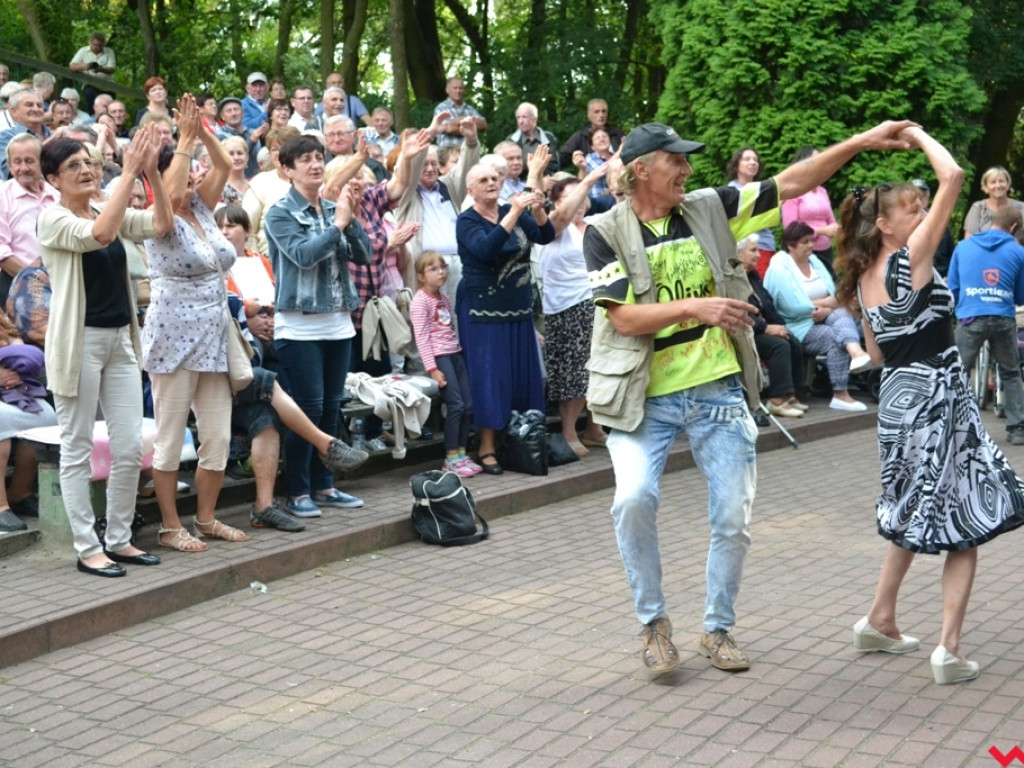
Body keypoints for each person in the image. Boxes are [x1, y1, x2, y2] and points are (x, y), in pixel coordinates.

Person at [582, 120, 919, 677]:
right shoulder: (604, 231)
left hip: (717, 389)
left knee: (732, 517)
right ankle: (654, 624)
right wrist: (697, 307)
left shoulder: (709, 207)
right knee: (633, 500)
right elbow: (623, 318)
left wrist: (861, 141)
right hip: (644, 397)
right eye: (675, 161)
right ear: (641, 170)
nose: (687, 170)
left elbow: (790, 183)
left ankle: (717, 629)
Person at [836, 126, 1024, 686]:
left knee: (913, 507)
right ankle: (949, 648)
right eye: (912, 210)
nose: (922, 214)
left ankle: (880, 619)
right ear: (885, 225)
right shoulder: (908, 259)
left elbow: (875, 354)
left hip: (898, 401)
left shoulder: (863, 279)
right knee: (965, 517)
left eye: (923, 208)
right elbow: (955, 175)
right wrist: (917, 134)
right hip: (938, 397)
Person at [38, 125, 173, 576]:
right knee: (76, 448)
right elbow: (98, 234)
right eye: (72, 165)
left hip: (120, 339)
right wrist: (128, 173)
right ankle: (87, 546)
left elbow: (160, 224)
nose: (86, 170)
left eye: (89, 163)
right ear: (53, 179)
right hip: (79, 343)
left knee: (131, 446)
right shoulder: (52, 217)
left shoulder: (103, 206)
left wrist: (150, 174)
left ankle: (119, 539)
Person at [143, 95, 246, 553]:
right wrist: (183, 141)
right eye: (184, 169)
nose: (194, 174)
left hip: (213, 336)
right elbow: (170, 194)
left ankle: (205, 519)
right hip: (173, 337)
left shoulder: (202, 207)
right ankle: (170, 526)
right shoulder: (158, 218)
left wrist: (201, 128)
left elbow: (223, 164)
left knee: (218, 436)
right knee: (169, 437)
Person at [263, 135, 371, 519]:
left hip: (339, 323)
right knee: (306, 410)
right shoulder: (279, 213)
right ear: (287, 170)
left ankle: (325, 485)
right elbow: (304, 256)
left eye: (318, 157)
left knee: (330, 409)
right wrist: (338, 225)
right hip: (299, 327)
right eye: (305, 159)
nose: (315, 164)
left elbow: (364, 255)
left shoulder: (332, 208)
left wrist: (350, 219)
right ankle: (296, 491)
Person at [456, 160, 554, 474]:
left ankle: (522, 441)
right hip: (483, 311)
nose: (491, 183)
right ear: (471, 190)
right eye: (483, 180)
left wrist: (538, 209)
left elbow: (545, 235)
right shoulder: (467, 221)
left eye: (495, 178)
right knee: (490, 378)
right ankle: (486, 447)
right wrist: (514, 212)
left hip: (519, 308)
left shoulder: (513, 210)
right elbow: (486, 249)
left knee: (521, 376)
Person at [538, 170, 612, 454]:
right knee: (574, 373)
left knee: (601, 368)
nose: (579, 202)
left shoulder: (594, 224)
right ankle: (569, 432)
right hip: (567, 308)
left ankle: (594, 428)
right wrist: (588, 180)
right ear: (556, 203)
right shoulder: (553, 226)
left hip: (597, 302)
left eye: (582, 196)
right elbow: (556, 222)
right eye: (571, 197)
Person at [764, 221, 872, 411]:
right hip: (796, 325)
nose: (811, 245)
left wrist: (827, 310)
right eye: (805, 242)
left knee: (841, 313)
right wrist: (825, 304)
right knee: (833, 337)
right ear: (790, 245)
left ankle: (856, 353)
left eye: (811, 241)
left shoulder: (815, 262)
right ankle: (840, 393)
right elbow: (791, 306)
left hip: (825, 315)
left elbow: (836, 296)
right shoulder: (778, 269)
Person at [947, 205, 1024, 445]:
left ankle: (950, 428)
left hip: (970, 317)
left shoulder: (962, 247)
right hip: (1003, 318)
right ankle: (1017, 429)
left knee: (956, 373)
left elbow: (953, 287)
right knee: (1010, 372)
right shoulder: (1019, 252)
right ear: (1014, 227)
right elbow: (1021, 296)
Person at [409, 250, 481, 477]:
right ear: (421, 276)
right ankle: (451, 458)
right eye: (433, 269)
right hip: (440, 358)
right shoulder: (420, 302)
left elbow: (449, 328)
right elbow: (422, 338)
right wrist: (433, 369)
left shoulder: (444, 299)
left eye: (443, 267)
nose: (441, 272)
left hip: (454, 353)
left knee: (468, 405)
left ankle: (462, 453)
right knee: (455, 405)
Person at [396, 113, 481, 302]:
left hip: (458, 262)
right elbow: (408, 168)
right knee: (430, 315)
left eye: (434, 163)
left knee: (459, 312)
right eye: (424, 164)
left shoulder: (449, 186)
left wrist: (471, 142)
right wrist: (430, 132)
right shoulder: (405, 192)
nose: (429, 168)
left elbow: (467, 171)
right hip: (424, 267)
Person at [737, 235, 807, 417]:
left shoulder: (752, 275)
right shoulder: (733, 280)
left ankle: (790, 395)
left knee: (791, 340)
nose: (759, 255)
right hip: (744, 332)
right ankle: (776, 400)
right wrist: (766, 328)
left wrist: (780, 326)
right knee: (779, 346)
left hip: (759, 328)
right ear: (738, 253)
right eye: (753, 250)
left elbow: (767, 304)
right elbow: (741, 313)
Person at [0, 321, 57, 532]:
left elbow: (18, 346)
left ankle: (20, 492)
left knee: (45, 416)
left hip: (11, 389)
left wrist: (14, 369)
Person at [0, 134, 58, 306]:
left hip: (61, 285)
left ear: (42, 163)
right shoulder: (3, 197)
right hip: (17, 288)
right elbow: (1, 252)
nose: (23, 168)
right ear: (9, 165)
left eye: (30, 161)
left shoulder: (56, 195)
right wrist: (37, 280)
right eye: (17, 162)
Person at [781, 146, 838, 278]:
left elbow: (831, 221)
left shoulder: (822, 191)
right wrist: (822, 231)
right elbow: (790, 228)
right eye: (816, 159)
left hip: (826, 250)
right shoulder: (793, 191)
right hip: (803, 253)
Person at [242, 125, 299, 252]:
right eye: (275, 149)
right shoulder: (260, 182)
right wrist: (256, 260)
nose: (280, 153)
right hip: (268, 258)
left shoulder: (313, 181)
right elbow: (247, 229)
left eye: (286, 147)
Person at [726, 147, 776, 277]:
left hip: (767, 245)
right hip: (748, 250)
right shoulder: (732, 191)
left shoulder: (760, 189)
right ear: (737, 165)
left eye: (755, 160)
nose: (753, 162)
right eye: (747, 159)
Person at [559, 98, 625, 170]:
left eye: (604, 111)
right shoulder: (580, 137)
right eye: (596, 112)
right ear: (589, 115)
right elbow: (561, 159)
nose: (601, 115)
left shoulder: (617, 133)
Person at [0, 89, 51, 180]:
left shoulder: (54, 134)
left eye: (39, 105)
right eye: (29, 105)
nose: (36, 109)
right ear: (14, 111)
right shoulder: (4, 137)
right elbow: (9, 173)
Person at [962, 166, 1024, 238]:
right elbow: (969, 240)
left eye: (1001, 181)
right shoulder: (978, 208)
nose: (998, 185)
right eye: (993, 182)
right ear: (985, 188)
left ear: (1008, 185)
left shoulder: (1021, 208)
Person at [507, 102, 559, 178]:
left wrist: (543, 179)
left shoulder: (548, 138)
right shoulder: (511, 140)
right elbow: (510, 168)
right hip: (521, 181)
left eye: (524, 117)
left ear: (535, 119)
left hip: (545, 178)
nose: (520, 121)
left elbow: (553, 165)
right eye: (518, 117)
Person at [433, 77, 488, 148]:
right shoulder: (441, 108)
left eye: (461, 88)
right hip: (449, 152)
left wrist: (463, 119)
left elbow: (484, 125)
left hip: (469, 151)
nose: (458, 91)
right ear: (447, 90)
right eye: (455, 88)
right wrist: (471, 129)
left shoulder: (470, 109)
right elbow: (449, 129)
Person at [68, 32, 116, 113]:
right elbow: (72, 66)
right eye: (95, 45)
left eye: (100, 45)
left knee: (109, 108)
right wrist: (85, 66)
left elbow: (112, 69)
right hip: (89, 84)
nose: (97, 47)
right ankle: (92, 116)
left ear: (103, 44)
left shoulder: (109, 52)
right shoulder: (83, 51)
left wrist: (100, 69)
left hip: (107, 86)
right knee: (89, 96)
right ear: (90, 42)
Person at [220, 135, 251, 205]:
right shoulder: (219, 189)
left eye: (240, 153)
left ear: (247, 157)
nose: (236, 158)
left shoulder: (254, 185)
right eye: (231, 154)